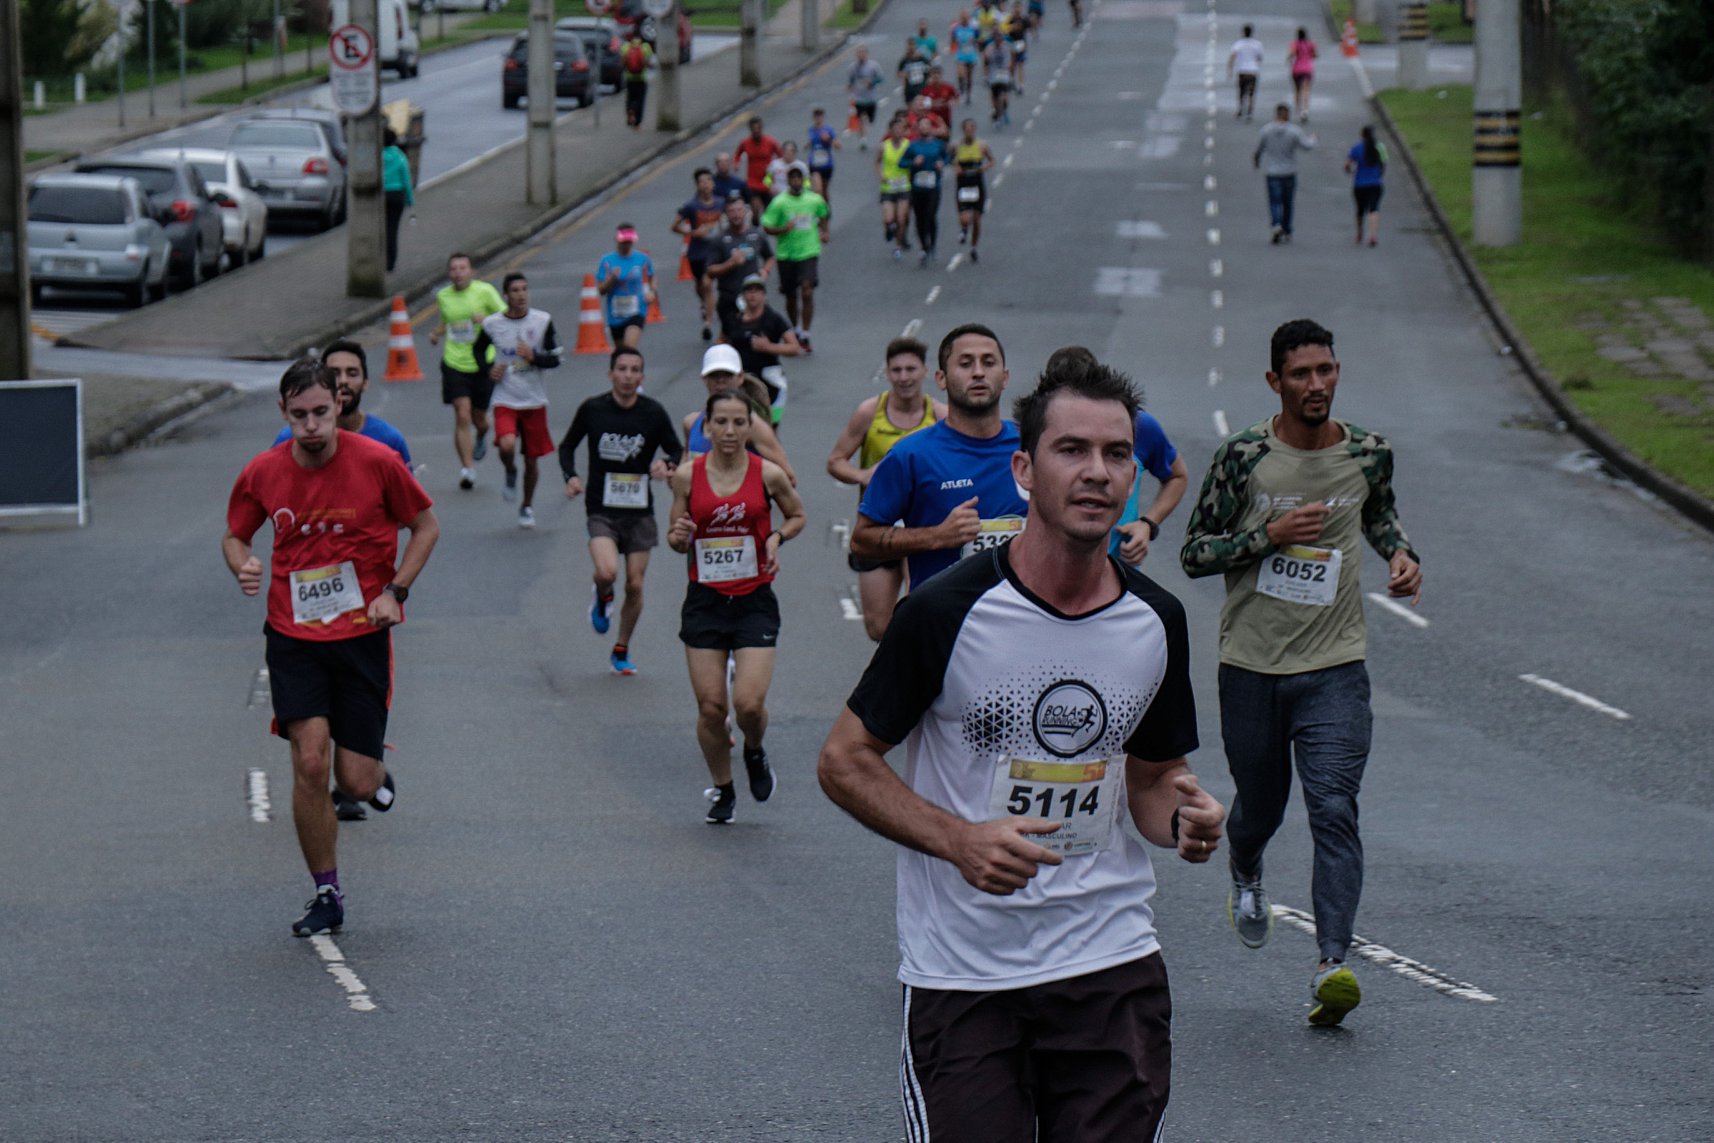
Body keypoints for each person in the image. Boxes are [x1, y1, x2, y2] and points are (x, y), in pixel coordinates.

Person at [818, 358, 1227, 1141]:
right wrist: (958, 839)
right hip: (967, 974)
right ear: (1024, 469)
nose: (1098, 472)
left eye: (1117, 454)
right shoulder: (946, 612)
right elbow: (844, 759)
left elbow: (1149, 781)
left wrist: (1186, 816)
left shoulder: (1155, 621)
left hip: (1109, 961)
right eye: (1072, 450)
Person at [1179, 318, 1422, 1028]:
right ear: (1275, 382)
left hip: (1336, 665)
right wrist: (1267, 537)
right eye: (1301, 374)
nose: (1316, 385)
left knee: (1334, 807)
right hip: (1251, 665)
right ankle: (1245, 866)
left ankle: (1331, 964)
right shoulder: (1244, 456)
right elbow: (1195, 552)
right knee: (1260, 806)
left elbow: (1381, 516)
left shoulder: (1369, 454)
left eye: (1326, 370)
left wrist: (1401, 556)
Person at [224, 359, 439, 936]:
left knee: (357, 783)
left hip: (362, 636)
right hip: (293, 635)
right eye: (299, 416)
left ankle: (375, 777)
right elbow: (236, 533)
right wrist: (242, 563)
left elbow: (425, 526)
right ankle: (326, 892)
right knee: (311, 759)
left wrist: (396, 591)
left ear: (339, 405)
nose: (311, 426)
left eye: (321, 412)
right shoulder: (264, 472)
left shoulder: (377, 462)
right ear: (283, 413)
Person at [666, 388, 807, 825]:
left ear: (751, 427)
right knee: (711, 707)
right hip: (705, 602)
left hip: (754, 601)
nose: (729, 431)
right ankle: (723, 789)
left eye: (738, 422)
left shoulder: (768, 475)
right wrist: (679, 535)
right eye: (720, 422)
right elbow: (676, 536)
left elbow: (797, 515)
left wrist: (776, 537)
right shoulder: (688, 476)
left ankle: (754, 749)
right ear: (706, 427)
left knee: (747, 704)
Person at [851, 323, 1027, 588]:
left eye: (988, 363)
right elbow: (861, 540)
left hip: (1023, 617)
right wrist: (937, 536)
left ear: (1005, 377)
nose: (978, 372)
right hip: (946, 622)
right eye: (965, 364)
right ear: (941, 379)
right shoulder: (910, 455)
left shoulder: (1032, 446)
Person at [558, 347, 685, 676]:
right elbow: (568, 445)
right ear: (611, 373)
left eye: (634, 371)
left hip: (639, 511)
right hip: (601, 508)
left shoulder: (652, 413)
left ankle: (621, 647)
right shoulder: (593, 409)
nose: (628, 376)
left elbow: (674, 447)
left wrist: (666, 464)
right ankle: (602, 596)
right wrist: (571, 475)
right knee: (607, 572)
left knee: (636, 585)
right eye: (622, 369)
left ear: (642, 377)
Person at [826, 336, 946, 640]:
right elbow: (836, 460)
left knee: (923, 610)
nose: (904, 378)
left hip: (924, 526)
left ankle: (916, 678)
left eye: (910, 369)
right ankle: (899, 666)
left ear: (925, 372)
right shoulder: (870, 412)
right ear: (887, 373)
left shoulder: (940, 416)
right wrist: (863, 475)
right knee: (878, 627)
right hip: (878, 524)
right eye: (896, 370)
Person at [473, 272, 563, 529]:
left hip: (534, 400)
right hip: (505, 398)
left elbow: (556, 358)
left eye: (525, 289)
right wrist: (489, 369)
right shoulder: (492, 324)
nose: (521, 295)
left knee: (532, 461)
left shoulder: (542, 320)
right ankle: (510, 470)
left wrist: (534, 357)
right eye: (515, 290)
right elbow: (478, 351)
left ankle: (527, 505)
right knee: (507, 444)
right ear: (505, 296)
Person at [271, 339, 411, 469]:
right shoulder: (289, 439)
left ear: (365, 383)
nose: (343, 381)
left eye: (352, 373)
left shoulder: (389, 439)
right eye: (335, 373)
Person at [428, 252, 504, 490]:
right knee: (462, 413)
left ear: (472, 271)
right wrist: (436, 333)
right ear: (449, 273)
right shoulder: (443, 296)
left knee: (479, 418)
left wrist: (487, 320)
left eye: (463, 268)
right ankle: (468, 468)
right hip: (454, 362)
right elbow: (447, 320)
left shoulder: (485, 292)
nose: (458, 272)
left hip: (482, 362)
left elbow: (505, 315)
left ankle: (482, 432)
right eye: (454, 269)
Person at [685, 344, 797, 481]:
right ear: (704, 379)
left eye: (727, 375)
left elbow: (788, 477)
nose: (721, 381)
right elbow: (684, 474)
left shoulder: (754, 426)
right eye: (714, 375)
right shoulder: (691, 423)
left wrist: (752, 495)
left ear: (740, 377)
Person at [760, 163, 830, 353]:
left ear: (803, 180)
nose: (796, 181)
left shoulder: (814, 200)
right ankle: (796, 327)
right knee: (791, 295)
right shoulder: (780, 202)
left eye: (799, 177)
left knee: (807, 291)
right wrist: (783, 229)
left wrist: (825, 232)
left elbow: (824, 213)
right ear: (789, 181)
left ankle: (806, 333)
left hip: (809, 251)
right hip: (786, 254)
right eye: (793, 178)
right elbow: (767, 226)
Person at [726, 275, 802, 421]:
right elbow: (722, 340)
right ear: (743, 295)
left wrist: (769, 347)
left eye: (757, 290)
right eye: (749, 291)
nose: (753, 294)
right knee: (743, 425)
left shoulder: (773, 319)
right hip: (742, 381)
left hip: (770, 383)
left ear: (764, 295)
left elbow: (794, 348)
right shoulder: (734, 320)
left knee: (769, 430)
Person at [705, 194, 775, 342]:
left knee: (757, 335)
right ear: (726, 214)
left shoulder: (756, 235)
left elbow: (769, 257)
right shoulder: (719, 239)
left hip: (753, 296)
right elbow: (710, 271)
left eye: (739, 210)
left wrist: (765, 271)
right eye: (731, 211)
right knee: (730, 338)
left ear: (745, 211)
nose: (736, 214)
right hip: (729, 296)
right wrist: (730, 263)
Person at [672, 168, 727, 342]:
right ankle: (705, 306)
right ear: (697, 185)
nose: (706, 185)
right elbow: (674, 226)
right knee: (700, 286)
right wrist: (693, 233)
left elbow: (728, 220)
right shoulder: (691, 206)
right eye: (702, 182)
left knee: (708, 284)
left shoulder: (721, 202)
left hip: (715, 250)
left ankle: (708, 324)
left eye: (708, 181)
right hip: (697, 252)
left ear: (713, 183)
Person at [1254, 103, 1316, 244]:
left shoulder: (1266, 130)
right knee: (1288, 203)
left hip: (1272, 172)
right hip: (1289, 172)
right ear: (1287, 115)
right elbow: (1307, 146)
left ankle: (1276, 224)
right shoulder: (1294, 131)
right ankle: (1287, 229)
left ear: (1276, 114)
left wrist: (1256, 160)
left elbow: (1259, 148)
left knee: (1274, 201)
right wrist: (1313, 138)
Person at [597, 224, 655, 350]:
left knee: (630, 349)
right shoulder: (607, 261)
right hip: (616, 313)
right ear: (617, 240)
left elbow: (652, 276)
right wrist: (612, 278)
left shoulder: (642, 258)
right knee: (620, 352)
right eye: (624, 242)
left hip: (637, 310)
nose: (626, 245)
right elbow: (601, 290)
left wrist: (652, 292)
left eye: (629, 242)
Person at [902, 125, 948, 266]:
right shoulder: (913, 146)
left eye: (927, 125)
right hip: (917, 187)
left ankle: (932, 244)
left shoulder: (938, 144)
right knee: (919, 217)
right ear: (919, 129)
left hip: (933, 186)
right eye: (922, 126)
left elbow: (947, 158)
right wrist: (913, 163)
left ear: (931, 129)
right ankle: (923, 246)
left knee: (930, 215)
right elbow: (902, 162)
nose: (924, 128)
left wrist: (942, 163)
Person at [952, 119, 995, 259]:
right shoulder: (957, 146)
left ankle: (973, 247)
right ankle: (964, 229)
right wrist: (956, 168)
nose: (969, 131)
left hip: (977, 184)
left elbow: (992, 160)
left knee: (976, 219)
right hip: (963, 184)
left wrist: (984, 167)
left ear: (975, 130)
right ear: (963, 130)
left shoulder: (982, 145)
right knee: (965, 218)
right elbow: (951, 160)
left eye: (971, 129)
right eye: (966, 129)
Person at [1345, 125, 1387, 247]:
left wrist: (1351, 172)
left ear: (1362, 135)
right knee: (1374, 208)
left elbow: (1347, 164)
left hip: (1360, 184)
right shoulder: (1380, 147)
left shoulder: (1356, 148)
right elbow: (1383, 164)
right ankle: (1373, 235)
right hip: (1375, 183)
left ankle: (1360, 231)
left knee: (1360, 210)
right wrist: (1379, 175)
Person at [877, 115, 914, 251]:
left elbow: (912, 162)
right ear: (890, 131)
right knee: (889, 219)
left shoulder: (908, 145)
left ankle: (898, 246)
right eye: (895, 129)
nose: (898, 132)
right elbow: (877, 162)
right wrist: (881, 175)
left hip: (904, 186)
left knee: (901, 218)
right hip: (888, 187)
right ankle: (889, 228)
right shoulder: (884, 146)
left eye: (901, 129)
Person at [734, 116, 783, 216]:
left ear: (762, 128)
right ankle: (755, 227)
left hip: (767, 181)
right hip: (753, 181)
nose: (756, 131)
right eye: (753, 129)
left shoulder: (770, 142)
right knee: (755, 209)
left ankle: (767, 229)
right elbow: (737, 154)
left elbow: (781, 155)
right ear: (750, 129)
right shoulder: (745, 143)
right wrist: (736, 164)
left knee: (769, 210)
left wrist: (779, 169)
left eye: (758, 128)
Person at [380, 127, 413, 273]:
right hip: (397, 195)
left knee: (379, 229)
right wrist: (410, 200)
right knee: (392, 230)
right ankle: (390, 264)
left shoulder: (377, 156)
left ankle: (377, 259)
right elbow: (406, 180)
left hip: (380, 196)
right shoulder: (400, 156)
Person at [847, 45, 884, 150]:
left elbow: (881, 78)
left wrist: (871, 82)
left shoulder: (873, 66)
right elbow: (851, 80)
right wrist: (850, 87)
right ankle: (863, 139)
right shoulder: (853, 67)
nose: (861, 55)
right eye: (859, 53)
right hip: (858, 97)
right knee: (861, 118)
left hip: (871, 97)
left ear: (866, 54)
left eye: (863, 53)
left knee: (869, 119)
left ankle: (864, 134)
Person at [1227, 23, 1264, 121]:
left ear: (1243, 32)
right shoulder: (1257, 44)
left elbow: (1232, 56)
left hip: (1242, 70)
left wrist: (1230, 69)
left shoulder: (1239, 44)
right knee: (1251, 92)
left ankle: (1240, 108)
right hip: (1252, 71)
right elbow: (1260, 58)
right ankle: (1250, 111)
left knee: (1241, 91)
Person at [620, 28, 654, 130]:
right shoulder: (646, 47)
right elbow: (648, 63)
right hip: (641, 78)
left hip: (629, 77)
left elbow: (623, 62)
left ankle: (630, 111)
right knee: (640, 99)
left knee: (630, 97)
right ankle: (637, 123)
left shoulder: (626, 46)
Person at [806, 108, 841, 200]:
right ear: (813, 118)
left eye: (820, 116)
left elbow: (838, 146)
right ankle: (818, 210)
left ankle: (826, 210)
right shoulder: (811, 130)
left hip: (826, 164)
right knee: (817, 190)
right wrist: (807, 145)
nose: (818, 118)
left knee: (824, 190)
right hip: (814, 164)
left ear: (823, 117)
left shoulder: (829, 130)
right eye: (816, 116)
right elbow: (811, 142)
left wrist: (829, 139)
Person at [920, 66, 961, 134]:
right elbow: (922, 105)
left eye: (938, 74)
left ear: (941, 75)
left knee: (946, 135)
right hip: (932, 119)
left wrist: (952, 102)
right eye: (934, 75)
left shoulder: (948, 87)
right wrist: (933, 104)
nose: (936, 77)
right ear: (931, 76)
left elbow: (957, 98)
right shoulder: (926, 90)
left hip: (946, 117)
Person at [949, 10, 980, 102]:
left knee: (969, 77)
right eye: (963, 18)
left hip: (971, 54)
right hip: (961, 54)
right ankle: (961, 86)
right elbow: (953, 40)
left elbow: (977, 39)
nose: (964, 19)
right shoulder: (956, 28)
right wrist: (953, 46)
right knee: (961, 73)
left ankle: (968, 95)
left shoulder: (973, 28)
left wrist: (975, 43)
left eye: (966, 18)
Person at [1289, 27, 1318, 122]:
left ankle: (1298, 108)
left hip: (1296, 69)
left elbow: (1292, 54)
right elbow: (1315, 55)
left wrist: (1289, 60)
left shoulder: (1295, 44)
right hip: (1307, 69)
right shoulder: (1311, 44)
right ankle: (1305, 110)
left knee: (1297, 90)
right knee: (1306, 90)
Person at [983, 34, 1012, 126]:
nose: (998, 43)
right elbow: (986, 60)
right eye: (996, 41)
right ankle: (996, 113)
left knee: (1005, 98)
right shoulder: (990, 48)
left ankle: (1004, 110)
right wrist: (986, 75)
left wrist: (1009, 71)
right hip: (994, 75)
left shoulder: (1006, 48)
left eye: (1000, 40)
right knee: (994, 97)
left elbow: (1010, 61)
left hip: (1004, 74)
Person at [898, 38, 931, 108]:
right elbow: (899, 73)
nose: (911, 47)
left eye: (912, 44)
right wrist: (903, 75)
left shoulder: (922, 59)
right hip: (910, 90)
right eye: (909, 45)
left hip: (922, 89)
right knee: (911, 112)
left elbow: (929, 71)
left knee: (922, 109)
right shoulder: (905, 60)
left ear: (916, 46)